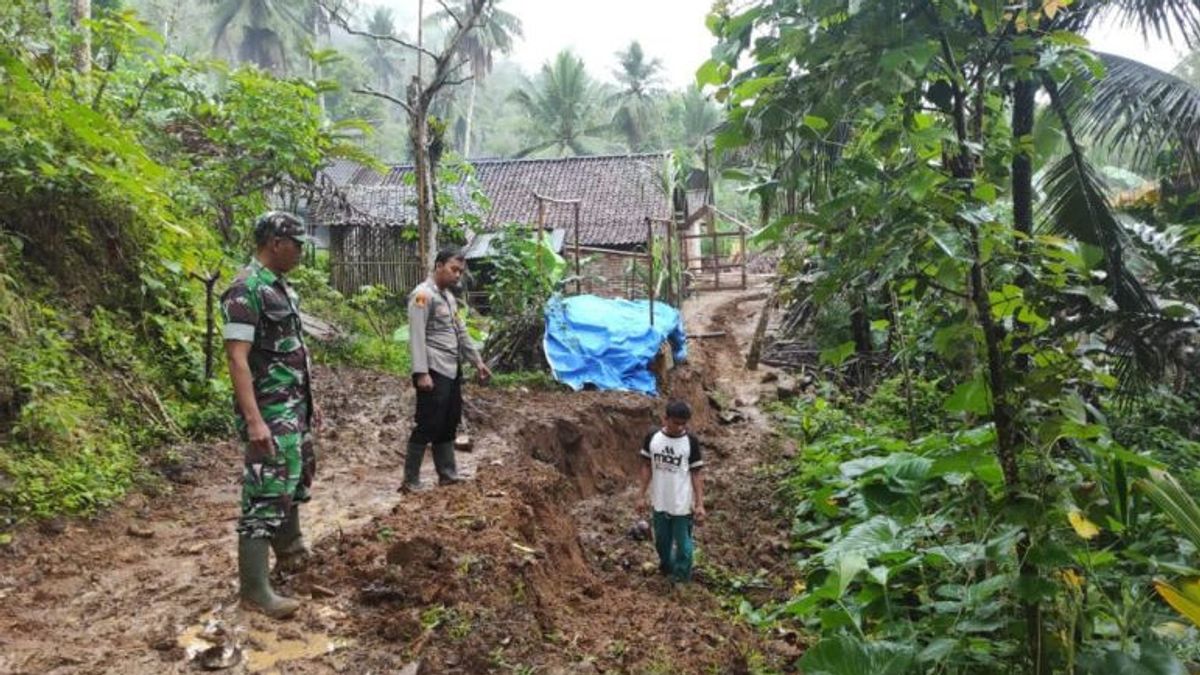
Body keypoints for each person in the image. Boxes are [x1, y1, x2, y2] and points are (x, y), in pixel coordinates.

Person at [220, 211, 318, 619]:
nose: (301, 252)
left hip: (293, 407)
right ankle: (255, 591)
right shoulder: (245, 290)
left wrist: (310, 403)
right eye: (297, 244)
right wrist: (255, 420)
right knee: (265, 492)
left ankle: (291, 552)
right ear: (276, 242)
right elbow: (237, 359)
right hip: (270, 411)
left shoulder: (282, 289)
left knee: (293, 479)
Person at [403, 247, 491, 491]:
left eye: (460, 272)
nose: (457, 276)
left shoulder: (449, 297)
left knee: (448, 421)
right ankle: (410, 480)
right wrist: (421, 372)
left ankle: (448, 474)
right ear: (439, 265)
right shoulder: (422, 295)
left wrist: (477, 361)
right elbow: (417, 335)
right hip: (434, 368)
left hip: (452, 369)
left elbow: (460, 332)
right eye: (453, 269)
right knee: (428, 423)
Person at [638, 400, 706, 584]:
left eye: (684, 423)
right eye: (676, 422)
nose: (680, 427)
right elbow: (646, 466)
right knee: (662, 543)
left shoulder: (690, 441)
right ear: (665, 418)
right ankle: (667, 569)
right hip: (660, 500)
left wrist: (699, 503)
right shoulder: (653, 437)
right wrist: (641, 495)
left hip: (682, 504)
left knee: (684, 546)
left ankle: (681, 579)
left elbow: (696, 473)